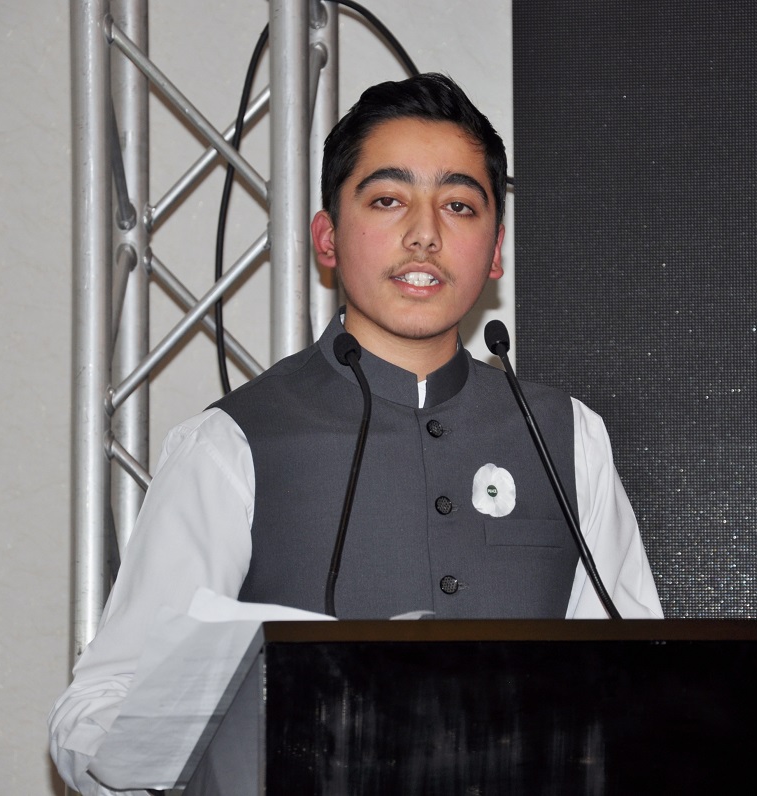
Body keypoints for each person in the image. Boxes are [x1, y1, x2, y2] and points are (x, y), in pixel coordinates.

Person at [49, 73, 661, 794]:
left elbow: (643, 690)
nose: (425, 234)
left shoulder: (569, 436)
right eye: (388, 200)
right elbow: (95, 717)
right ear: (328, 238)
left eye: (459, 206)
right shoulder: (232, 444)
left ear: (495, 250)